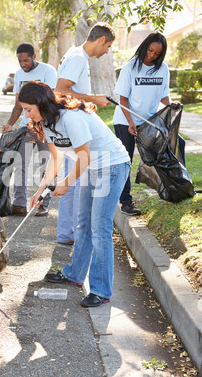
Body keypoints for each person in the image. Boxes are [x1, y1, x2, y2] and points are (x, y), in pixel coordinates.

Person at [18, 81, 130, 307]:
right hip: (91, 169)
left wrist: (66, 184)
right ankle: (75, 275)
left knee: (100, 227)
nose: (26, 114)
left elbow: (84, 157)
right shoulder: (47, 123)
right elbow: (56, 158)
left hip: (112, 166)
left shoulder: (71, 118)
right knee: (83, 222)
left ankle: (101, 290)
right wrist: (41, 190)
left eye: (28, 109)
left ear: (41, 103)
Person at [55, 22, 115, 245]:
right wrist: (93, 98)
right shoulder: (78, 57)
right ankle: (71, 234)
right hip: (73, 126)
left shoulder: (75, 53)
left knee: (75, 179)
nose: (107, 51)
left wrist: (87, 103)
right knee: (76, 181)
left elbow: (70, 92)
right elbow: (60, 90)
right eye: (107, 46)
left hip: (74, 121)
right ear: (101, 40)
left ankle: (68, 233)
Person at [113, 32, 184, 216]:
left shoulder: (163, 69)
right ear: (145, 46)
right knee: (125, 161)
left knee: (177, 144)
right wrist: (130, 122)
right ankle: (125, 202)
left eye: (157, 53)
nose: (152, 55)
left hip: (149, 121)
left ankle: (177, 187)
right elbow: (122, 98)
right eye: (150, 50)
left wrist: (172, 105)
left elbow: (164, 96)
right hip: (125, 120)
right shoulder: (131, 67)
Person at [2, 43, 57, 216]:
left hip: (44, 125)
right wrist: (10, 123)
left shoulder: (48, 72)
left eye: (26, 60)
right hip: (25, 127)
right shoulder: (19, 75)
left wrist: (44, 124)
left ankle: (43, 203)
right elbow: (18, 104)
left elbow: (51, 100)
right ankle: (19, 204)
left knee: (44, 164)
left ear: (34, 56)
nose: (23, 64)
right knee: (20, 164)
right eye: (20, 61)